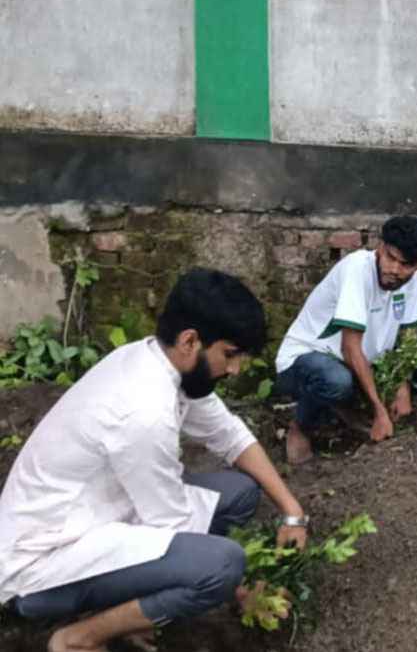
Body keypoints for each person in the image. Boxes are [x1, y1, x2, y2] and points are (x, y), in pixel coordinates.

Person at [0, 268, 309, 652]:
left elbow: (230, 435)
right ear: (189, 341)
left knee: (242, 492)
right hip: (43, 567)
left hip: (104, 512)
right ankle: (77, 638)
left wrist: (292, 510)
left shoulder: (160, 362)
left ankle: (131, 606)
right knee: (224, 565)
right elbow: (171, 523)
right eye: (229, 355)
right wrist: (243, 591)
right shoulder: (143, 410)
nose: (234, 369)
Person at [276, 215, 417, 464]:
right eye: (390, 257)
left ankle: (351, 407)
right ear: (380, 247)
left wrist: (403, 386)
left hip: (362, 364)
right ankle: (301, 427)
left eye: (405, 264)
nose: (394, 269)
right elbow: (350, 348)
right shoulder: (356, 269)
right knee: (336, 380)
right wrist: (380, 411)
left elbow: (409, 339)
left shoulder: (409, 281)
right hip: (306, 362)